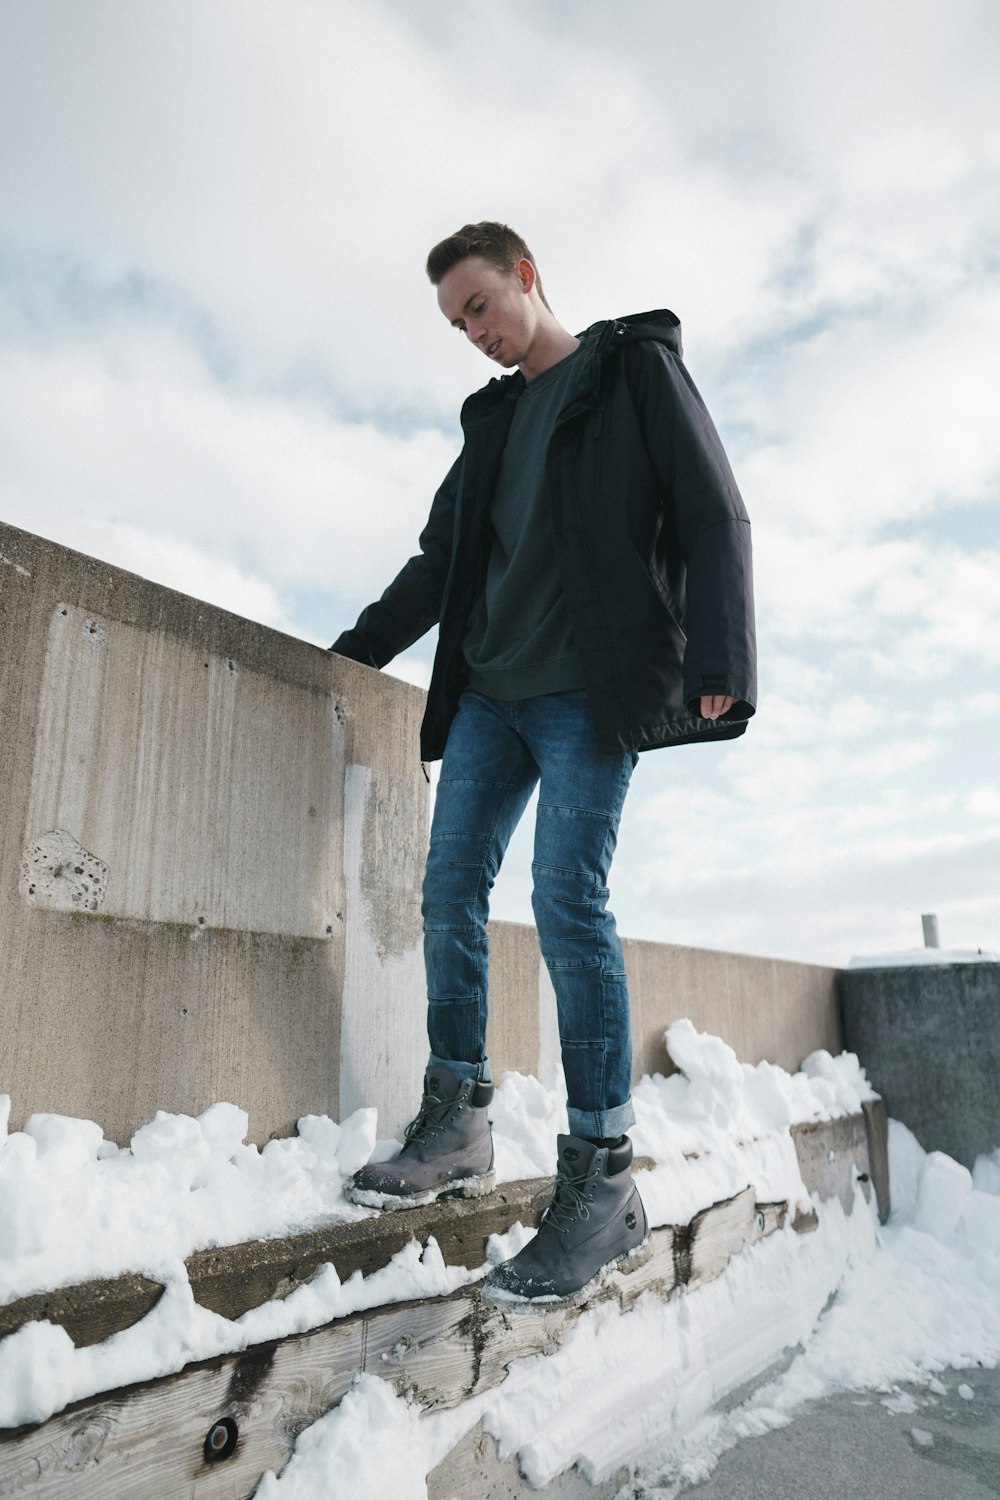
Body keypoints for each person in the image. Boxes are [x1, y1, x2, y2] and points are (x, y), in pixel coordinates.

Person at [331, 222, 756, 1307]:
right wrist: (352, 653)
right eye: (455, 322)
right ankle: (456, 1123)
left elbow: (712, 511)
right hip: (488, 693)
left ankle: (603, 1183)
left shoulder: (631, 370)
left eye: (478, 304)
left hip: (585, 694)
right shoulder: (493, 420)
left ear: (525, 275)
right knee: (446, 897)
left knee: (567, 904)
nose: (471, 332)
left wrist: (719, 655)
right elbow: (441, 563)